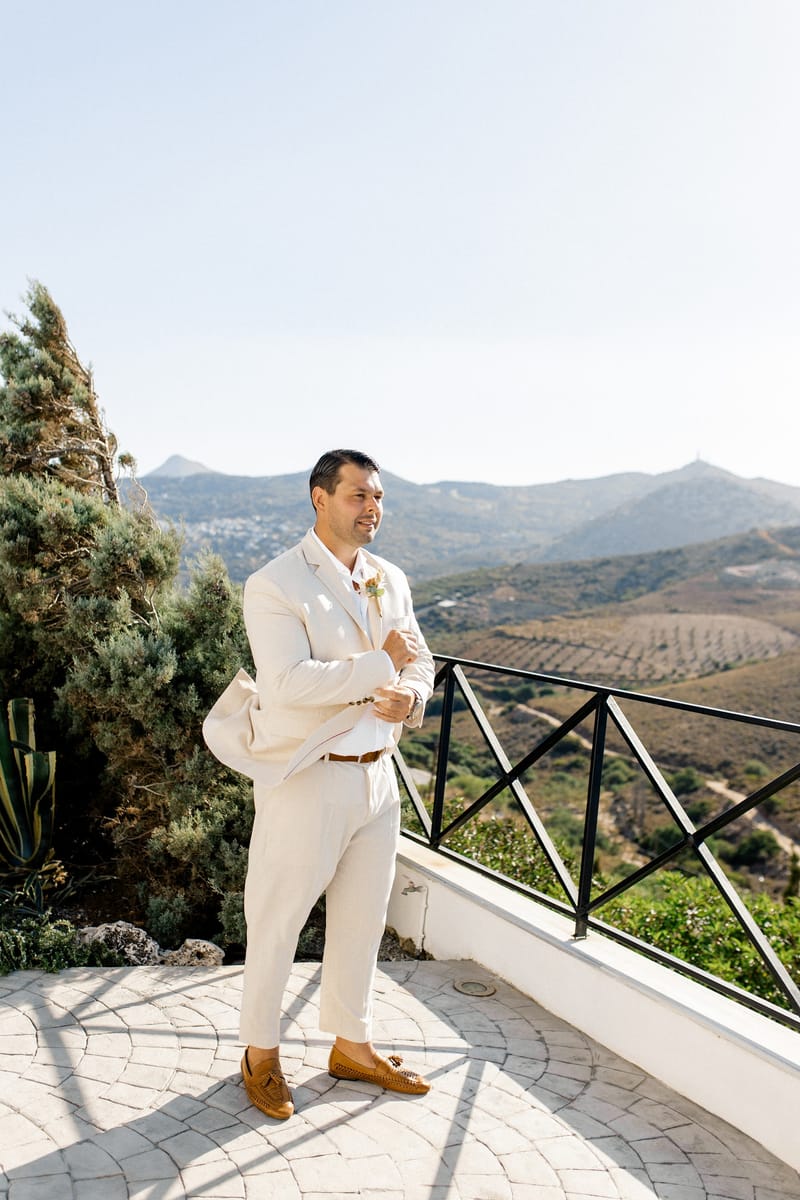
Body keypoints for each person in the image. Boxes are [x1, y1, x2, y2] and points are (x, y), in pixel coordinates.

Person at [203, 449, 435, 1120]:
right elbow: (287, 684)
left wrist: (409, 700)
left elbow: (417, 658)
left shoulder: (390, 578)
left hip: (377, 780)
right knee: (276, 922)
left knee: (362, 921)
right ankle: (261, 1054)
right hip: (308, 777)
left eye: (380, 497)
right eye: (359, 495)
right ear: (320, 498)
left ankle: (351, 1047)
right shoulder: (274, 583)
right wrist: (375, 671)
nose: (373, 509)